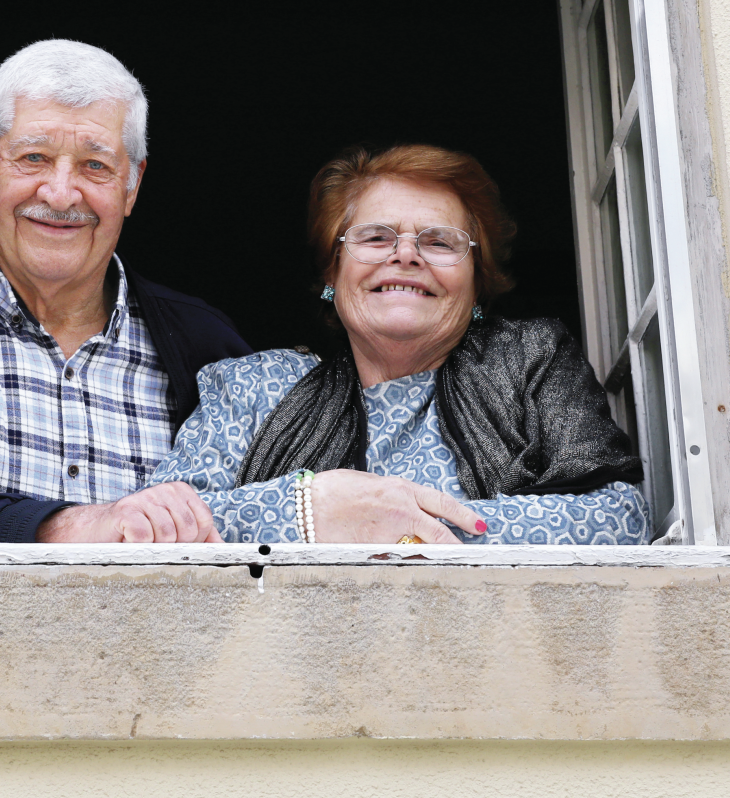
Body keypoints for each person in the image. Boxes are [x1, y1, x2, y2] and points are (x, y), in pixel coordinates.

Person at [0, 39, 251, 545]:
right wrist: (73, 525)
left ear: (133, 186)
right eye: (33, 158)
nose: (60, 194)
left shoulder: (208, 346)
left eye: (95, 165)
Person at [148, 143, 649, 544]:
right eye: (375, 237)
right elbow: (161, 527)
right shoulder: (254, 387)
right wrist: (309, 508)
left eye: (439, 241)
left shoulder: (529, 361)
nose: (406, 255)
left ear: (477, 282)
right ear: (332, 272)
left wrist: (397, 530)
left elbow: (617, 518)